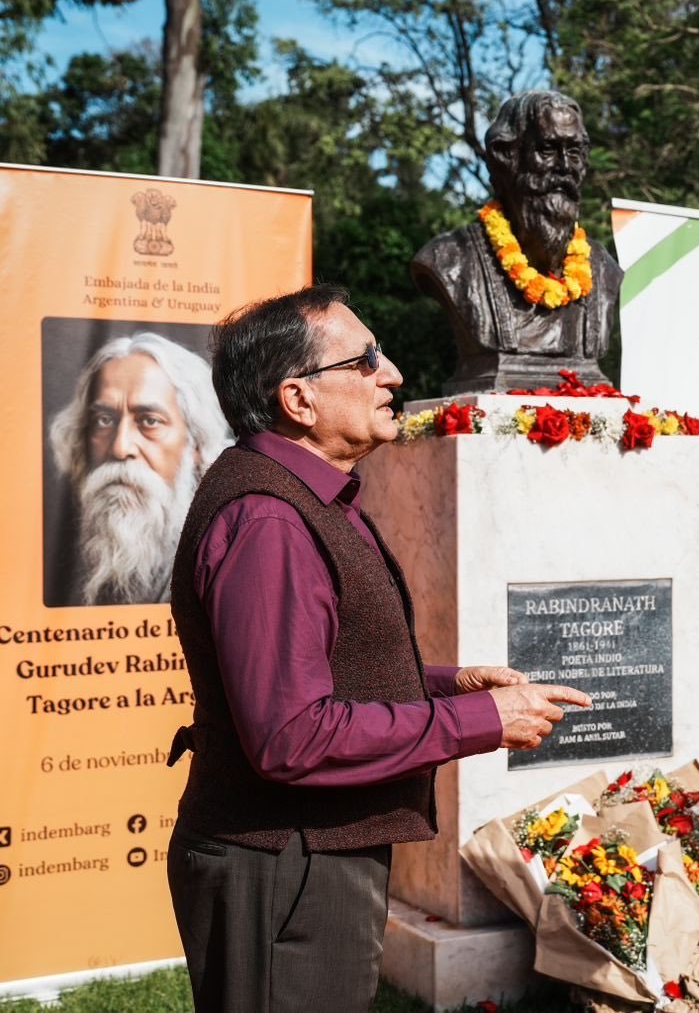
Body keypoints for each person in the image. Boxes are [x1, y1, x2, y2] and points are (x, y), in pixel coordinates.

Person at [164, 285, 592, 1012]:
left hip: (302, 857)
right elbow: (292, 735)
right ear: (298, 399)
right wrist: (482, 722)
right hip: (284, 867)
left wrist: (444, 685)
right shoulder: (270, 519)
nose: (392, 374)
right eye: (365, 360)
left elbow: (315, 664)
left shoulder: (303, 496)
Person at [411, 90, 623, 393]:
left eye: (574, 152)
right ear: (505, 155)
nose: (564, 165)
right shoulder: (448, 259)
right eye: (548, 149)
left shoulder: (603, 268)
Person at [46, 332, 231, 606]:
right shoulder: (55, 561)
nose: (121, 448)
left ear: (196, 444)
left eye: (150, 421)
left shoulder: (223, 558)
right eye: (104, 420)